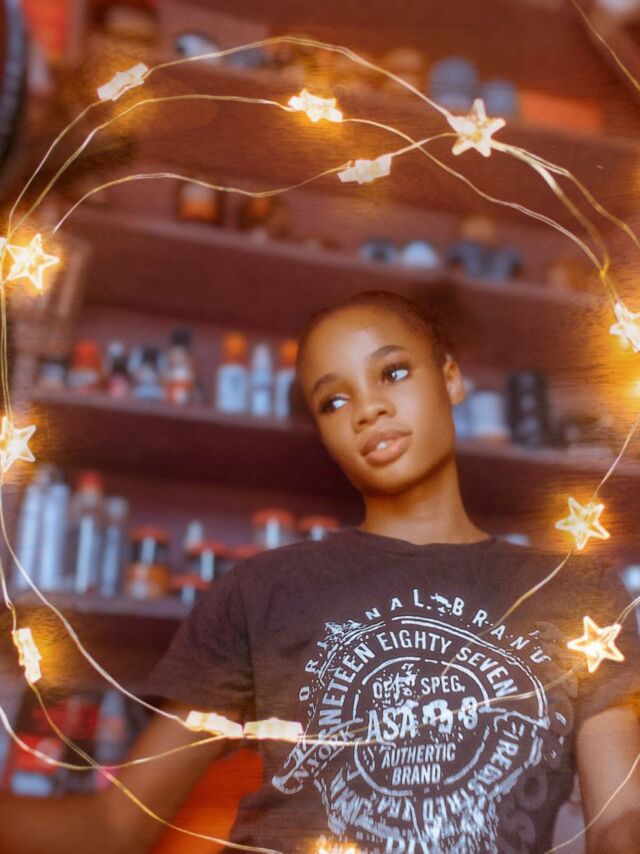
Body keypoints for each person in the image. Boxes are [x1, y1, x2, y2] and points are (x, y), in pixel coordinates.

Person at [1, 289, 639, 854]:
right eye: (334, 401)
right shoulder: (261, 592)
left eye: (393, 372)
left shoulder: (580, 595)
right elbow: (114, 828)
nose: (368, 409)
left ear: (451, 379)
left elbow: (619, 823)